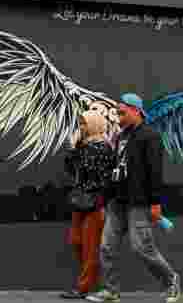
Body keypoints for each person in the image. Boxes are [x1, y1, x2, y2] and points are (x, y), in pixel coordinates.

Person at [87, 93, 182, 303]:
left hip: (138, 203)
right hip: (116, 203)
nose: (118, 114)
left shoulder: (150, 136)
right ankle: (111, 291)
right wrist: (105, 200)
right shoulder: (120, 137)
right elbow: (114, 170)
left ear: (136, 110)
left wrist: (155, 203)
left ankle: (171, 280)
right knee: (106, 247)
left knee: (141, 248)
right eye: (117, 111)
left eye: (122, 111)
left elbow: (155, 172)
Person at [61, 110, 117, 299]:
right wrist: (74, 148)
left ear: (94, 124)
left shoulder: (103, 147)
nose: (81, 127)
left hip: (95, 202)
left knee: (90, 247)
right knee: (76, 241)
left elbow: (95, 172)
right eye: (81, 123)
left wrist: (80, 150)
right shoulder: (83, 146)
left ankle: (84, 287)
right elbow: (70, 169)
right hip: (80, 201)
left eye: (84, 124)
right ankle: (88, 279)